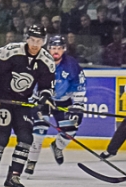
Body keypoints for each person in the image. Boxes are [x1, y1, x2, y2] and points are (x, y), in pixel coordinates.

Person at [0, 25, 55, 187]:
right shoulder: (11, 51)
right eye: (32, 40)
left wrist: (45, 97)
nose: (35, 44)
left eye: (39, 41)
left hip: (22, 102)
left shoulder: (46, 61)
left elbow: (47, 86)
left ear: (44, 41)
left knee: (26, 138)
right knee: (1, 137)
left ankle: (14, 177)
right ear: (27, 39)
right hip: (2, 100)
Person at [26, 35, 86, 174]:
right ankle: (31, 161)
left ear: (64, 49)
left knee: (70, 129)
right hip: (42, 100)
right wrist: (34, 99)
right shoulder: (38, 62)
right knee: (39, 131)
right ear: (48, 48)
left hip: (63, 101)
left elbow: (79, 84)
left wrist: (77, 105)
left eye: (59, 48)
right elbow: (29, 82)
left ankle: (57, 146)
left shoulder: (71, 64)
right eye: (53, 48)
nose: (56, 51)